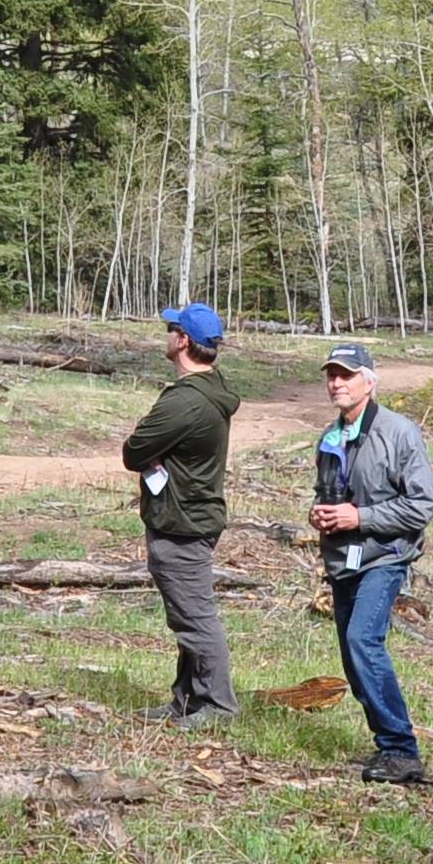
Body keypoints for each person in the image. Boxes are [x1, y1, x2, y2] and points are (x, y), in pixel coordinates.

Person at [309, 342, 433, 782]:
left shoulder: (399, 433)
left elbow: (422, 506)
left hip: (386, 555)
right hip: (343, 556)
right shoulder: (331, 436)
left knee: (364, 641)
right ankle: (388, 744)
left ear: (369, 380)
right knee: (351, 652)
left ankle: (401, 749)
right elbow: (327, 491)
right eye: (331, 374)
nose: (336, 382)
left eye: (346, 374)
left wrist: (360, 516)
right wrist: (321, 512)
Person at [124, 301, 243, 726]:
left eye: (172, 329)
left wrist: (150, 451)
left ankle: (218, 705)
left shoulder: (185, 403)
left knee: (196, 618)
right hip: (190, 514)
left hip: (183, 521)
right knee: (186, 614)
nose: (167, 334)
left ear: (184, 341)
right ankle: (187, 699)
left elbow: (134, 450)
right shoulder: (210, 387)